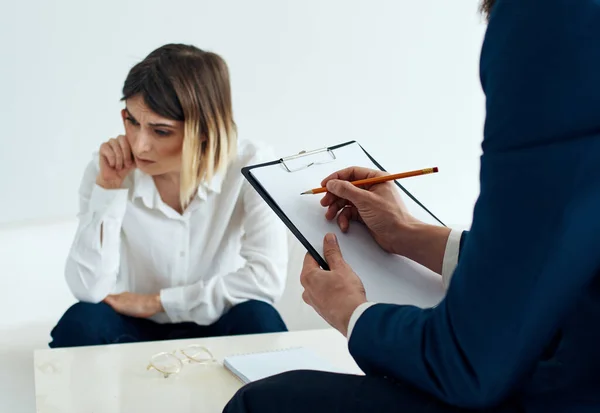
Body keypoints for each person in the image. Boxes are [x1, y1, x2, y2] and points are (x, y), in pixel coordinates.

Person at [224, 0, 600, 412]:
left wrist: (353, 313)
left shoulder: (554, 17)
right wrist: (407, 234)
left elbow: (468, 362)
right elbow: (560, 249)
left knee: (265, 403)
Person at [49, 44, 289, 348]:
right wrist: (109, 189)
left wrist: (157, 302)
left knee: (261, 319)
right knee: (81, 321)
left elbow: (266, 282)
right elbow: (88, 289)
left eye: (160, 131)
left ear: (205, 130)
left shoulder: (252, 164)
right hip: (136, 328)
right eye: (132, 121)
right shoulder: (108, 168)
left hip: (218, 320)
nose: (139, 145)